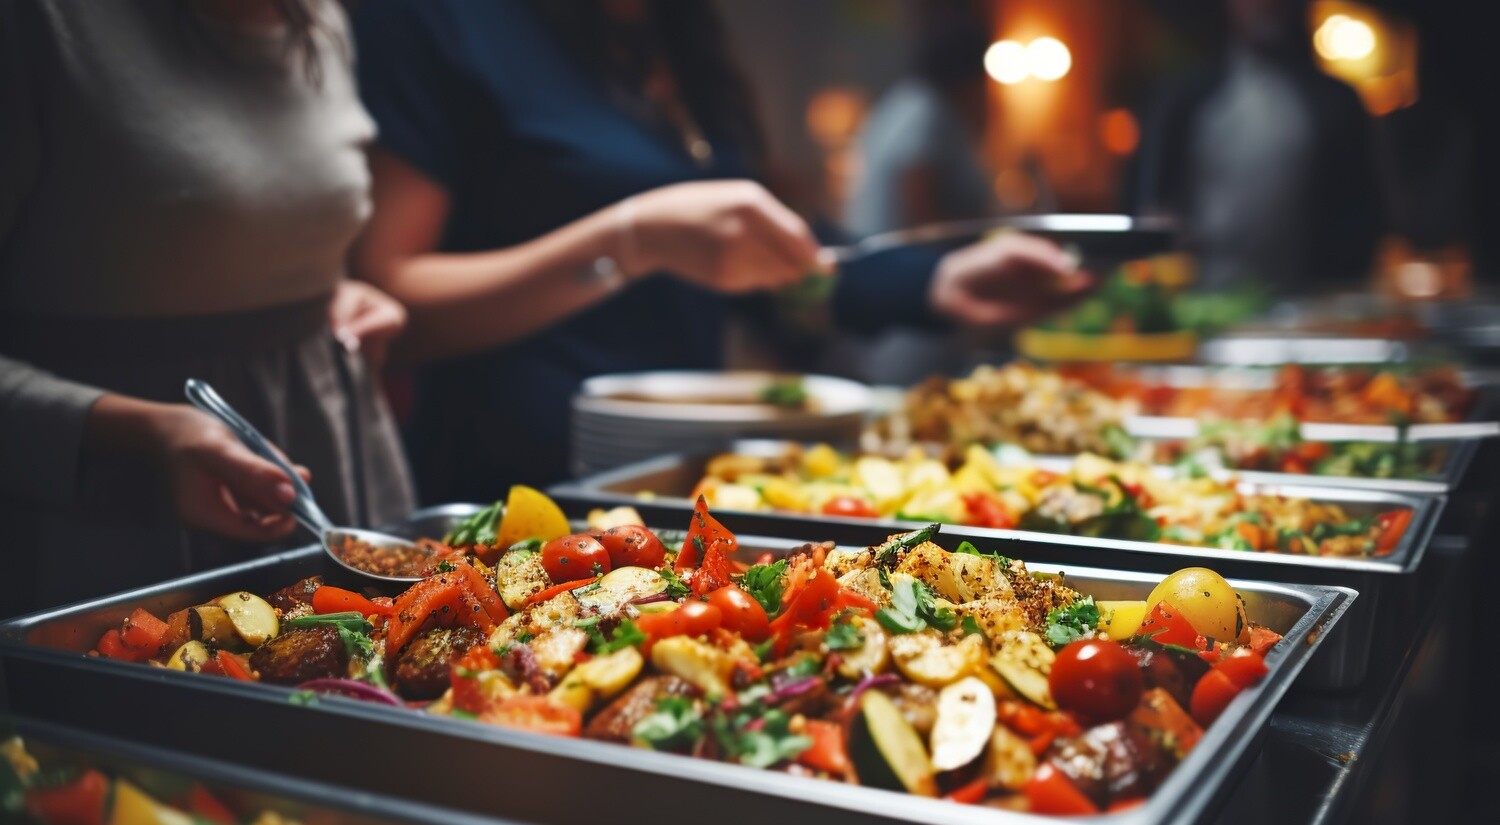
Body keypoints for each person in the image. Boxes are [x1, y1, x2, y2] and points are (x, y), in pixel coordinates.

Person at [351, 0, 1086, 498]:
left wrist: (936, 279)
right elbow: (392, 296)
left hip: (684, 484)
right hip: (511, 482)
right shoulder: (439, 20)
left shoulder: (673, 33)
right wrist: (631, 240)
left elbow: (768, 256)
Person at [0, 0, 415, 616]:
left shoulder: (320, 14)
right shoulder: (39, 23)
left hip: (337, 456)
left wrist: (329, 288)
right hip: (110, 512)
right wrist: (140, 429)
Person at [1131, 0, 1381, 292]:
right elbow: (1147, 202)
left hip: (1309, 309)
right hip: (1202, 302)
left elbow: (1363, 221)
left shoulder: (1337, 103)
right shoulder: (1186, 98)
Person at [844, 11, 996, 239]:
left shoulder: (907, 101)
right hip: (901, 262)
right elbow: (917, 212)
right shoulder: (928, 113)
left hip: (883, 253)